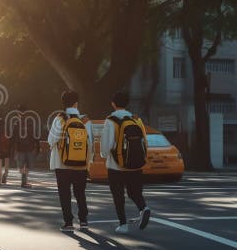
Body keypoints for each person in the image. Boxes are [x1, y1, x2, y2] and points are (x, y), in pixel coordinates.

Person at [100, 90, 151, 233]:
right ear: (127, 103)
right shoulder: (136, 119)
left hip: (116, 166)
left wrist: (104, 155)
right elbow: (144, 142)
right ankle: (144, 208)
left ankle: (123, 225)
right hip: (136, 164)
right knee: (134, 192)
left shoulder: (111, 121)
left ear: (113, 104)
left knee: (118, 195)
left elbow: (106, 146)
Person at [48, 90, 92, 232]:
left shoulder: (59, 119)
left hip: (62, 164)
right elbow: (89, 143)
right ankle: (84, 221)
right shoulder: (84, 120)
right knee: (80, 193)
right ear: (76, 103)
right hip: (81, 164)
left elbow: (51, 141)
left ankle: (68, 223)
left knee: (65, 193)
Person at [11, 104, 40, 188]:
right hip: (29, 147)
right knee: (27, 165)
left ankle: (23, 179)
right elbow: (35, 135)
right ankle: (24, 180)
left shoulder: (17, 123)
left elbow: (13, 136)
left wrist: (12, 148)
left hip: (19, 148)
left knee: (20, 165)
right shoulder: (31, 122)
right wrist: (37, 146)